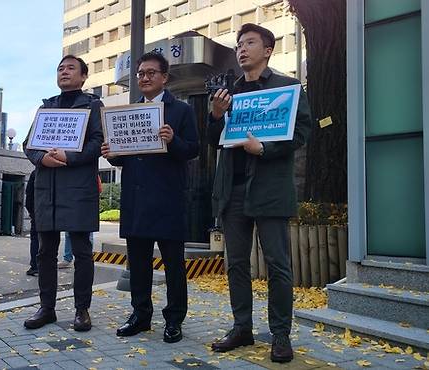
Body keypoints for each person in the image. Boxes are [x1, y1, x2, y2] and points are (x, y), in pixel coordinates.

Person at [207, 23, 312, 363]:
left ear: (267, 50)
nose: (242, 48)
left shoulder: (288, 87)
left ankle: (280, 335)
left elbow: (301, 131)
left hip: (269, 189)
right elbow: (214, 140)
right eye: (239, 44)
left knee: (278, 265)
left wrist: (264, 148)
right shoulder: (228, 92)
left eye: (250, 42)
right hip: (232, 190)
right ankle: (242, 328)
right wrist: (215, 115)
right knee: (236, 264)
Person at [101, 52, 199, 343]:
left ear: (164, 77)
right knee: (139, 264)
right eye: (140, 73)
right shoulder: (130, 112)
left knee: (174, 266)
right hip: (136, 199)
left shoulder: (181, 111)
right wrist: (113, 155)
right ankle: (140, 315)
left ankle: (174, 319)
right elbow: (126, 158)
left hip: (168, 199)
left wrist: (174, 140)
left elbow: (193, 149)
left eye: (150, 73)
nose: (143, 78)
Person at [23, 54, 103, 332]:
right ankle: (47, 308)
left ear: (83, 76)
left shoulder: (93, 106)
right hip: (48, 189)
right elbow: (28, 144)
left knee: (82, 251)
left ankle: (82, 310)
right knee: (45, 252)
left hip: (78, 189)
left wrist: (69, 156)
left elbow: (98, 142)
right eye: (60, 68)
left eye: (70, 68)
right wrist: (40, 159)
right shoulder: (46, 108)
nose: (64, 72)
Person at [25, 170, 38, 276]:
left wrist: (32, 213)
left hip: (37, 213)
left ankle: (35, 266)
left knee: (35, 240)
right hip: (52, 214)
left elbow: (29, 195)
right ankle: (46, 267)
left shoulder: (35, 173)